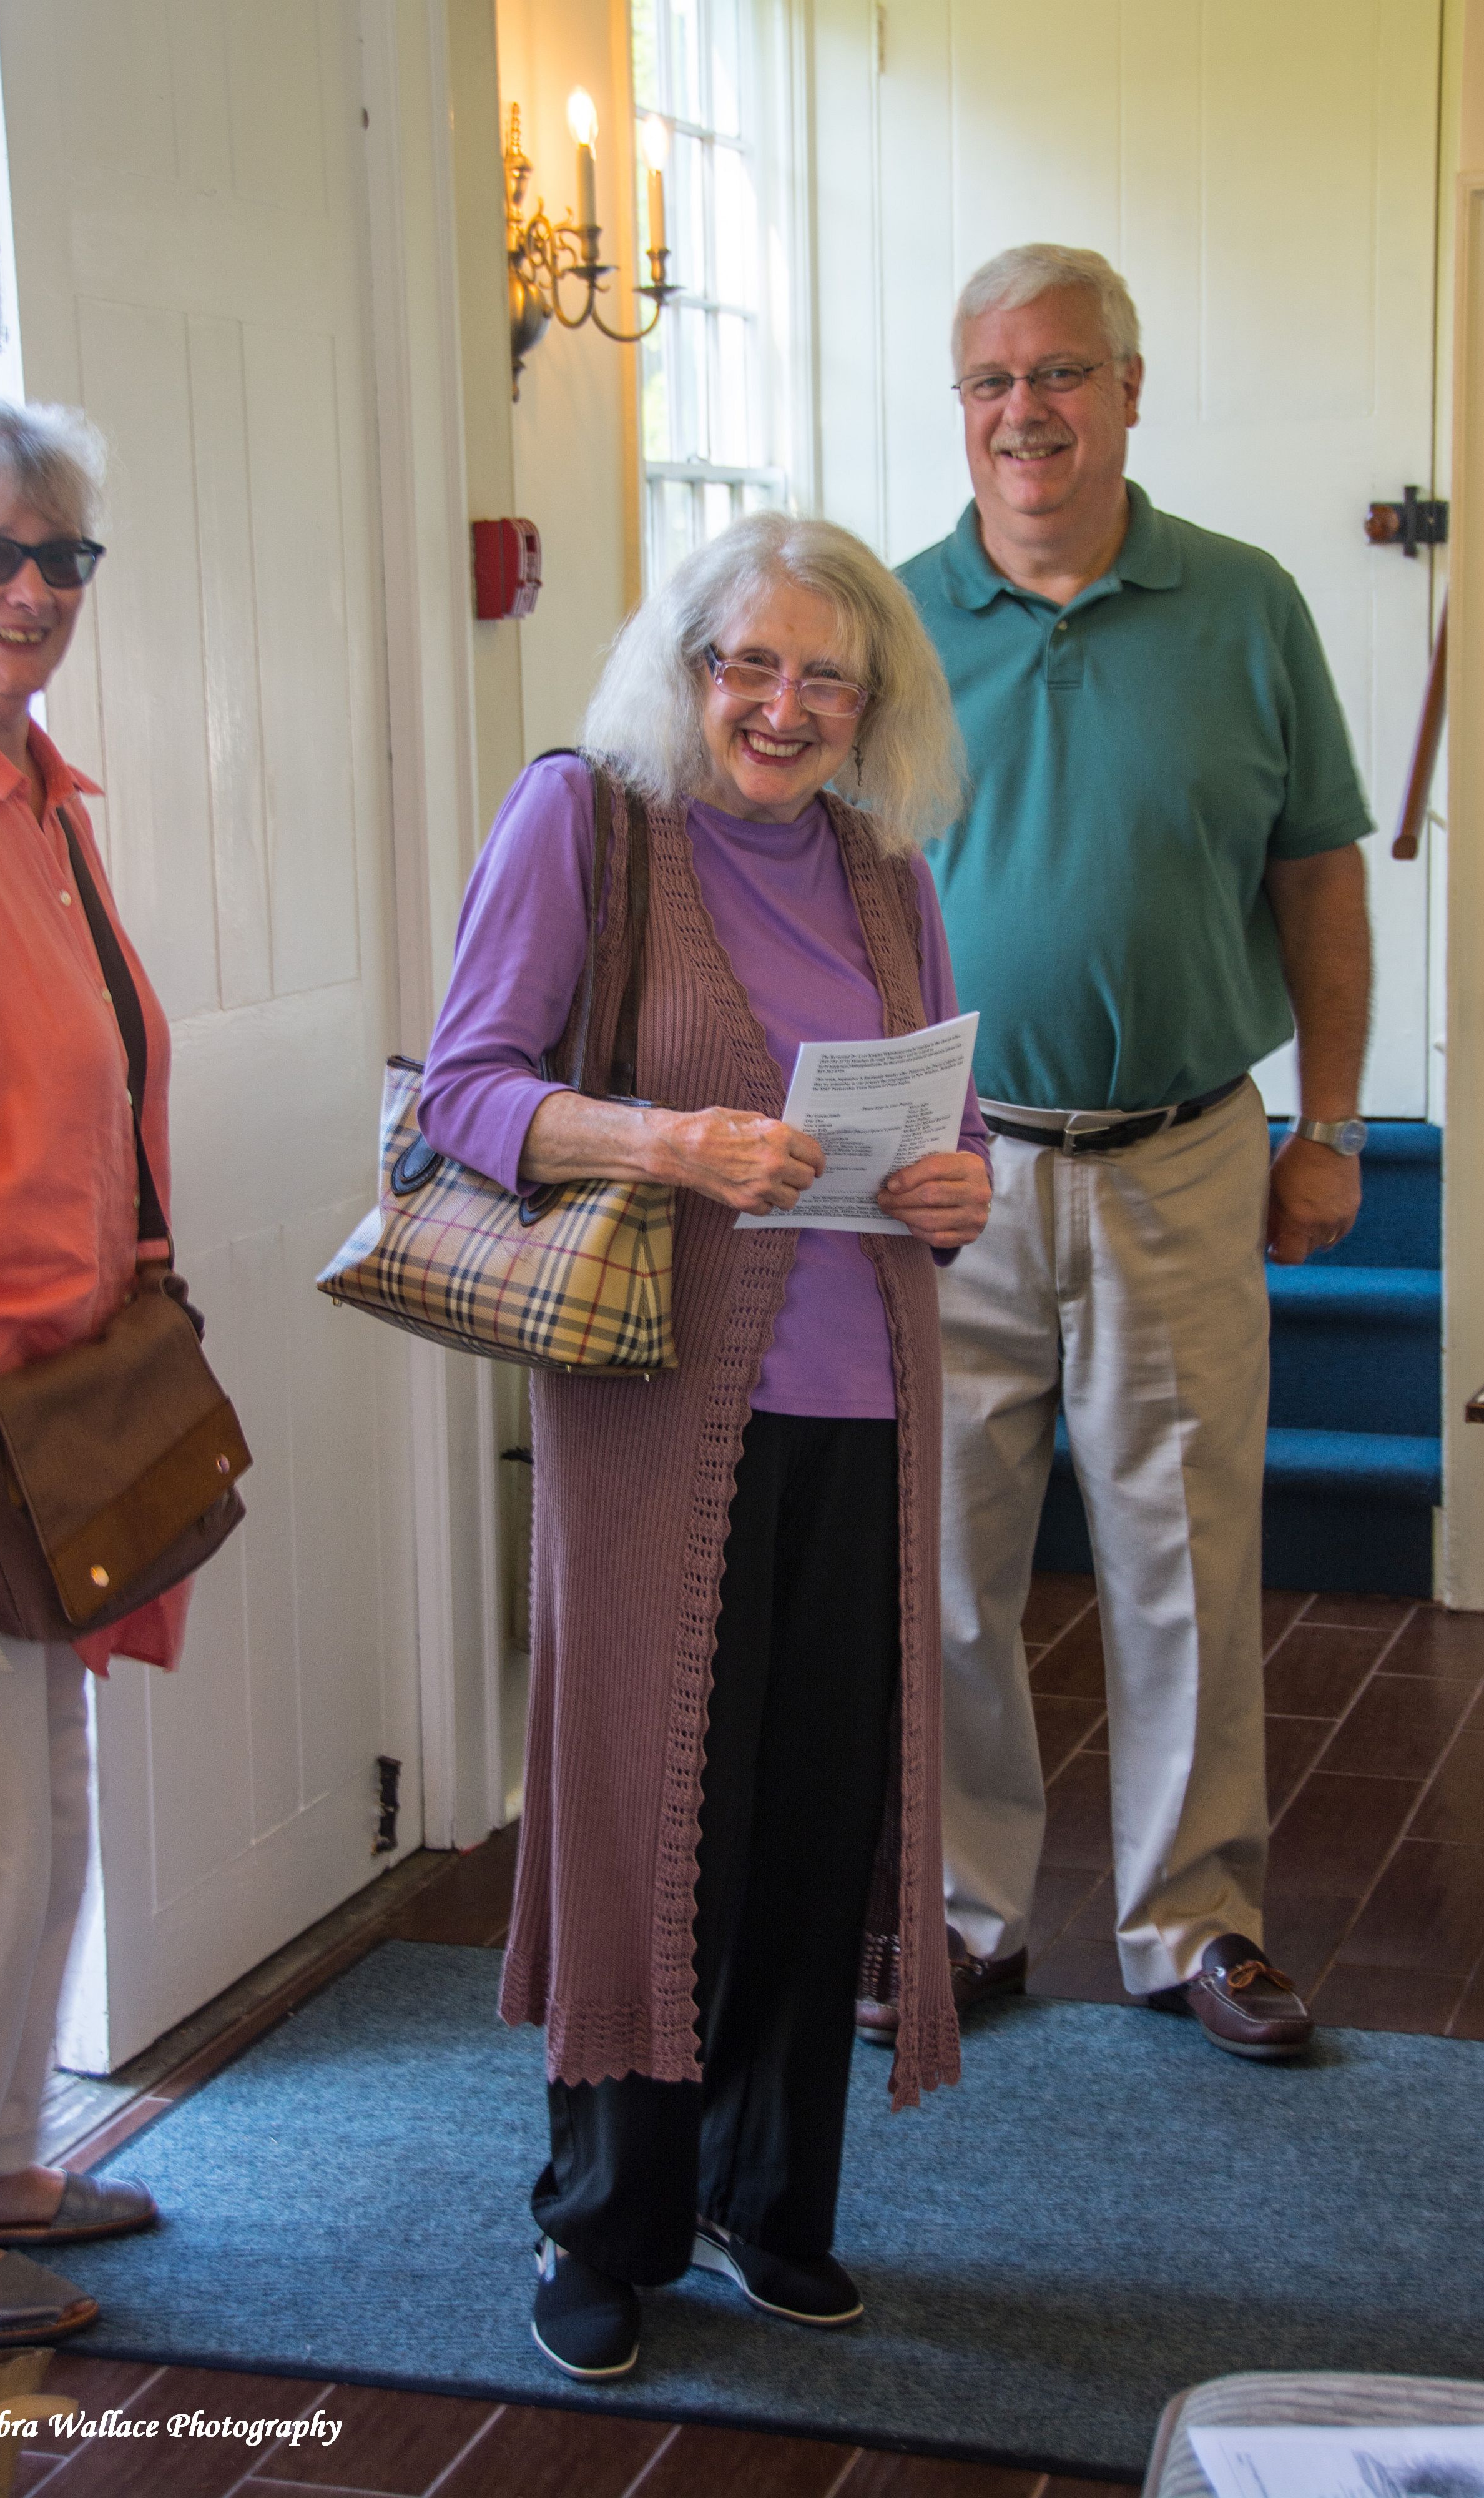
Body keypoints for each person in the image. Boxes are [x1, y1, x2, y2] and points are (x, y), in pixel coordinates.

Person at [418, 510, 991, 2381]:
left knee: (813, 1820)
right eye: (749, 662)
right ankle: (605, 2222)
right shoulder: (588, 822)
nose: (784, 703)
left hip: (863, 1401)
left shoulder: (884, 874)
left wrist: (953, 1187)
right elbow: (466, 1094)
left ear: (872, 705)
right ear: (686, 669)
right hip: (659, 1410)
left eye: (827, 675)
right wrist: (670, 1144)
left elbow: (942, 1133)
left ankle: (768, 2200)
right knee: (649, 1802)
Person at [861, 244, 1372, 2064]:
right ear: (963, 407)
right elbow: (817, 898)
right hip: (951, 1172)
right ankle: (960, 1915)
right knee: (943, 1565)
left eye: (1061, 375)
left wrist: (1325, 1129)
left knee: (1181, 1555)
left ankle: (1193, 1923)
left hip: (1182, 1155)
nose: (1026, 413)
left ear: (1130, 391)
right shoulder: (887, 622)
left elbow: (1317, 877)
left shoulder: (1245, 607)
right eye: (992, 382)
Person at [0, 398, 176, 2345]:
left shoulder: (33, 786)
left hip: (56, 1405)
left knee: (42, 1799)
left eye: (57, 558)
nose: (23, 588)